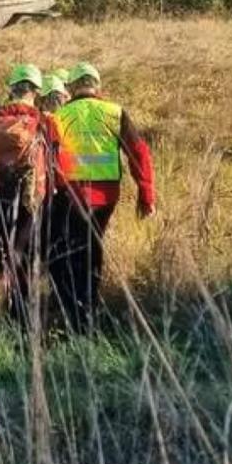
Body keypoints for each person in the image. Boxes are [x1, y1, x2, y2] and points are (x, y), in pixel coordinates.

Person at [50, 62, 156, 332]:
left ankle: (74, 314)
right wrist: (146, 196)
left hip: (70, 196)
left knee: (72, 250)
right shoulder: (114, 112)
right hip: (105, 197)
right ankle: (88, 311)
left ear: (72, 87)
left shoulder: (59, 116)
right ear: (97, 85)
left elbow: (48, 158)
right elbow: (139, 153)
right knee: (93, 248)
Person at [0, 63, 59, 326]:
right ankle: (23, 314)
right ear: (35, 91)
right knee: (24, 255)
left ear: (12, 89)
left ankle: (3, 301)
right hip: (31, 197)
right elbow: (56, 161)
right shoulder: (44, 121)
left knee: (0, 256)